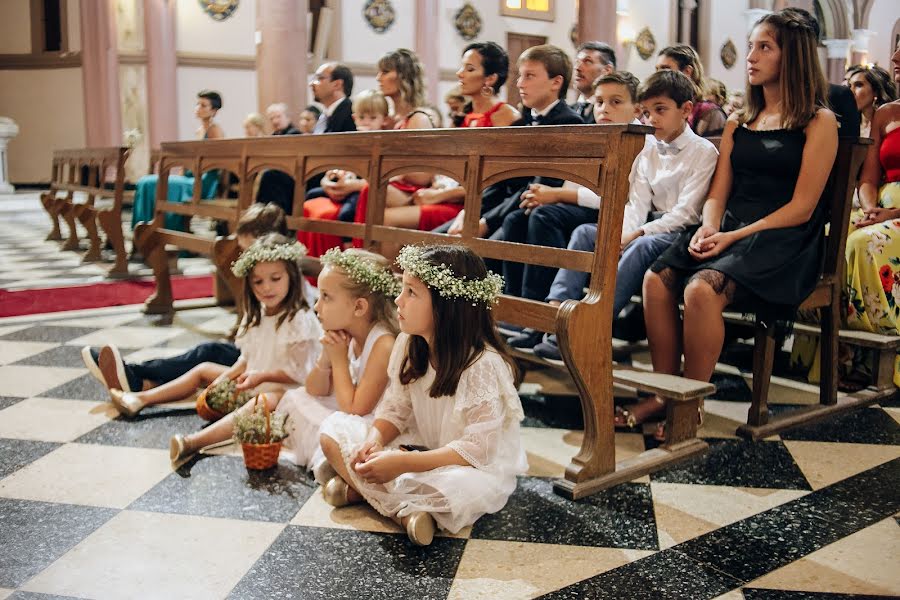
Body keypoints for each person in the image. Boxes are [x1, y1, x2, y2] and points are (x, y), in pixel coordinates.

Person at [628, 9, 838, 435]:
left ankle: (690, 401)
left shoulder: (818, 121)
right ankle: (662, 394)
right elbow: (719, 192)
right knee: (657, 278)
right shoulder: (741, 120)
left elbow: (802, 206)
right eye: (750, 47)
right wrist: (709, 227)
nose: (751, 57)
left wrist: (731, 236)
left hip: (783, 237)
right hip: (729, 227)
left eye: (764, 47)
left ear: (792, 56)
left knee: (701, 290)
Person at [318, 245, 527, 546]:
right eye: (401, 289)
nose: (398, 300)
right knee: (332, 431)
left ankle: (365, 492)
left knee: (456, 488)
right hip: (421, 451)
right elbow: (395, 409)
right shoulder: (408, 345)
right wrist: (374, 441)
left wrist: (402, 464)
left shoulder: (483, 365)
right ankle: (403, 514)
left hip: (469, 467)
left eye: (411, 293)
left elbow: (477, 451)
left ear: (446, 306)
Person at [520, 70, 719, 358]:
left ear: (686, 109)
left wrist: (635, 234)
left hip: (681, 232)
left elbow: (686, 213)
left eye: (660, 110)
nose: (651, 120)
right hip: (647, 223)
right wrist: (622, 233)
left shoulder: (703, 151)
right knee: (585, 233)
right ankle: (554, 317)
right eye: (647, 112)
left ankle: (592, 324)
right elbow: (637, 203)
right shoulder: (648, 152)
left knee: (641, 245)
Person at [172, 248, 400, 467]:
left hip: (372, 429)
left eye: (326, 297)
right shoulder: (344, 335)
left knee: (323, 424)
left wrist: (339, 360)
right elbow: (314, 389)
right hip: (347, 412)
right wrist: (325, 360)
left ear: (359, 307)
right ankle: (196, 442)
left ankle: (339, 473)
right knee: (293, 398)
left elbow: (355, 409)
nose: (317, 305)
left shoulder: (383, 343)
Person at [83, 204, 293, 395]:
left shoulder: (281, 282)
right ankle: (139, 378)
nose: (243, 257)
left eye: (248, 251)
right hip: (257, 354)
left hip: (267, 363)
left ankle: (136, 377)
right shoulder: (271, 276)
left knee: (208, 352)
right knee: (206, 353)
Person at [107, 234, 322, 419]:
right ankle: (140, 399)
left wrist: (262, 376)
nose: (266, 288)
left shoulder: (299, 320)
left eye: (275, 278)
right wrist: (223, 380)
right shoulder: (258, 315)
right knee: (203, 370)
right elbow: (247, 359)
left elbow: (300, 374)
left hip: (283, 391)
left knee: (261, 401)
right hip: (253, 382)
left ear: (291, 277)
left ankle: (195, 440)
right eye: (258, 282)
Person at [446, 44, 585, 239]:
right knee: (432, 242)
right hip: (500, 206)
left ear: (556, 82)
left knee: (465, 252)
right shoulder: (523, 119)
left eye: (529, 76)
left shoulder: (567, 122)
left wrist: (487, 221)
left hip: (525, 212)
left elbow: (537, 186)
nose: (519, 84)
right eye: (520, 76)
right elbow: (500, 178)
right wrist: (470, 212)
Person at [843, 40, 900, 388]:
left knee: (866, 244)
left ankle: (872, 356)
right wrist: (869, 208)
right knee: (827, 233)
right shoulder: (886, 113)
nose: (894, 58)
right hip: (879, 205)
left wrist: (889, 213)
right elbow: (868, 177)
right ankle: (836, 348)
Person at [298, 89, 390, 258]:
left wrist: (351, 183)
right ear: (354, 118)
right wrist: (336, 175)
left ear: (384, 120)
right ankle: (306, 253)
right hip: (348, 183)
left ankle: (350, 253)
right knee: (311, 194)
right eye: (362, 118)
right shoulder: (354, 140)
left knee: (347, 213)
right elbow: (343, 164)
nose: (366, 123)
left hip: (361, 189)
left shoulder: (383, 142)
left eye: (372, 118)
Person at [130, 90, 225, 232]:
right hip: (191, 177)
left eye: (203, 105)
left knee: (150, 183)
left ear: (214, 111)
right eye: (197, 104)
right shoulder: (199, 130)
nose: (198, 108)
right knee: (144, 182)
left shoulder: (215, 130)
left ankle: (161, 231)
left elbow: (217, 160)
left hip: (202, 182)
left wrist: (190, 166)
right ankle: (144, 232)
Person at [656, 45, 726, 137]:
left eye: (665, 68)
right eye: (657, 69)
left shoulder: (710, 113)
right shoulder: (657, 109)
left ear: (687, 71)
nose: (658, 75)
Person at [457, 42, 520, 128]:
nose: (459, 74)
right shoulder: (461, 116)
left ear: (490, 79)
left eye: (470, 69)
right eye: (462, 67)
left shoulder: (507, 116)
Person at [570, 41, 617, 123]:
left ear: (607, 70)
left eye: (587, 61)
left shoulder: (613, 113)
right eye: (577, 62)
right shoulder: (566, 112)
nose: (578, 68)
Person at [845, 64, 897, 137]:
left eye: (859, 85)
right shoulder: (847, 125)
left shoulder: (890, 126)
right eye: (849, 86)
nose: (851, 91)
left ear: (876, 91)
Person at [309, 62, 358, 134]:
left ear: (337, 84)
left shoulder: (352, 114)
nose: (311, 84)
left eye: (320, 78)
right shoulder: (324, 116)